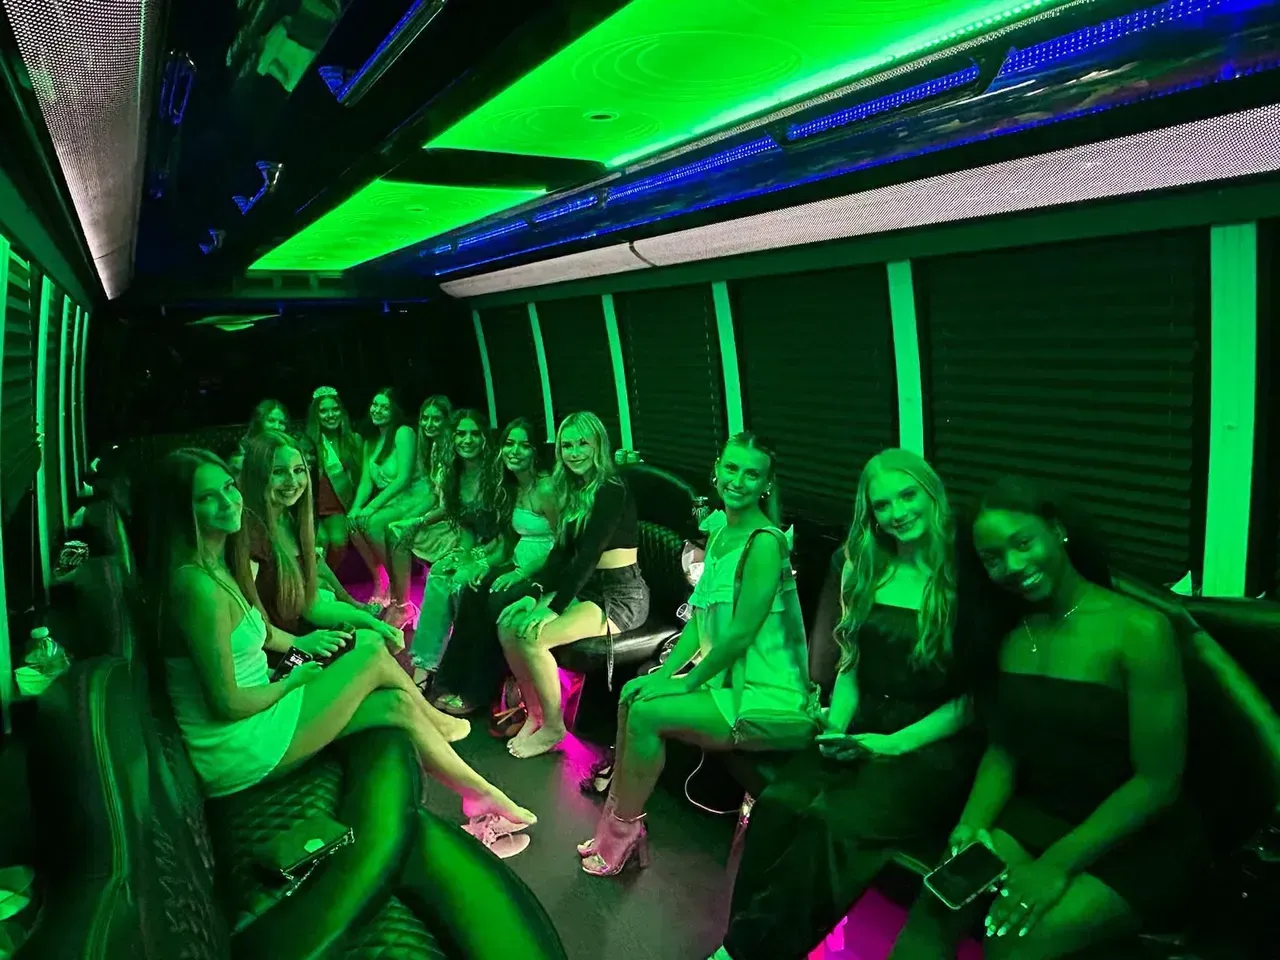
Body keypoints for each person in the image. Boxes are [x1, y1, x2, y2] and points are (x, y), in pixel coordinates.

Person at [887, 477, 1205, 960]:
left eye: (1023, 543)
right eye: (993, 558)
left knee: (1014, 943)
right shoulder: (1010, 634)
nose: (1012, 566)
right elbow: (1005, 748)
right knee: (934, 911)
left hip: (1137, 833)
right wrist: (970, 826)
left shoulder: (1139, 630)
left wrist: (1054, 866)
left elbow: (1158, 781)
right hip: (1042, 814)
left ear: (1056, 530)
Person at [143, 447, 537, 832]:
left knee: (395, 703)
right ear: (182, 512)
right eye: (207, 498)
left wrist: (300, 647)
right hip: (236, 747)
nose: (228, 502)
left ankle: (479, 794)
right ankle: (437, 723)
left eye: (229, 487)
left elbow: (261, 630)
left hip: (260, 707)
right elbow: (228, 703)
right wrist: (293, 681)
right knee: (367, 652)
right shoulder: (195, 586)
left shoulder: (218, 563)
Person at [712, 448, 985, 960]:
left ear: (933, 495)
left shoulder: (968, 579)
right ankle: (742, 943)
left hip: (932, 742)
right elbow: (852, 666)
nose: (897, 512)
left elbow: (975, 698)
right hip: (863, 724)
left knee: (831, 825)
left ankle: (747, 954)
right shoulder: (869, 568)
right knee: (779, 805)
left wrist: (895, 743)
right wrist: (835, 727)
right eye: (883, 505)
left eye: (908, 496)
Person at [580, 433, 817, 876]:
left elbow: (740, 635)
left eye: (752, 474)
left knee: (649, 714)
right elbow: (700, 620)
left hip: (766, 692)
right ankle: (612, 826)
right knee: (635, 691)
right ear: (717, 469)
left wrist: (685, 681)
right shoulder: (722, 531)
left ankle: (623, 833)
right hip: (728, 679)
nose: (738, 481)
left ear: (766, 484)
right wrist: (665, 673)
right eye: (731, 468)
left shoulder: (765, 543)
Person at [498, 412, 650, 759]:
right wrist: (535, 594)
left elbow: (587, 556)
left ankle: (554, 727)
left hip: (619, 594)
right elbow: (561, 555)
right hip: (588, 587)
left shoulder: (611, 488)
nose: (575, 452)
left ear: (598, 445)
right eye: (567, 445)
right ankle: (534, 713)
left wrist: (551, 608)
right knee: (509, 625)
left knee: (534, 637)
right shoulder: (571, 490)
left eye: (583, 443)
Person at [431, 418, 558, 716]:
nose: (514, 451)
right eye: (509, 444)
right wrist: (485, 564)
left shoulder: (547, 488)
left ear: (535, 451)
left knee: (494, 600)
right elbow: (507, 539)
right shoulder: (511, 487)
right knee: (474, 591)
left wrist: (522, 572)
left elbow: (563, 544)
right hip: (518, 564)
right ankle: (449, 680)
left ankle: (478, 692)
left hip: (546, 571)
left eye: (523, 445)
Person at [347, 387, 417, 601]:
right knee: (353, 524)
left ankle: (399, 586)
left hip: (411, 498)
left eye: (384, 407)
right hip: (389, 502)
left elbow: (403, 479)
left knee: (372, 522)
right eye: (375, 405)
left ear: (395, 410)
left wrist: (371, 507)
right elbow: (366, 483)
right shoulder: (370, 441)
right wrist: (355, 508)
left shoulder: (404, 433)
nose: (377, 410)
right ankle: (381, 580)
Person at [302, 386, 363, 569]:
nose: (330, 415)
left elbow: (361, 479)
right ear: (316, 415)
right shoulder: (307, 442)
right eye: (323, 411)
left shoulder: (354, 440)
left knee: (337, 541)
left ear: (342, 412)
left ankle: (329, 582)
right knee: (320, 540)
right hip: (312, 506)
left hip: (339, 507)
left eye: (335, 409)